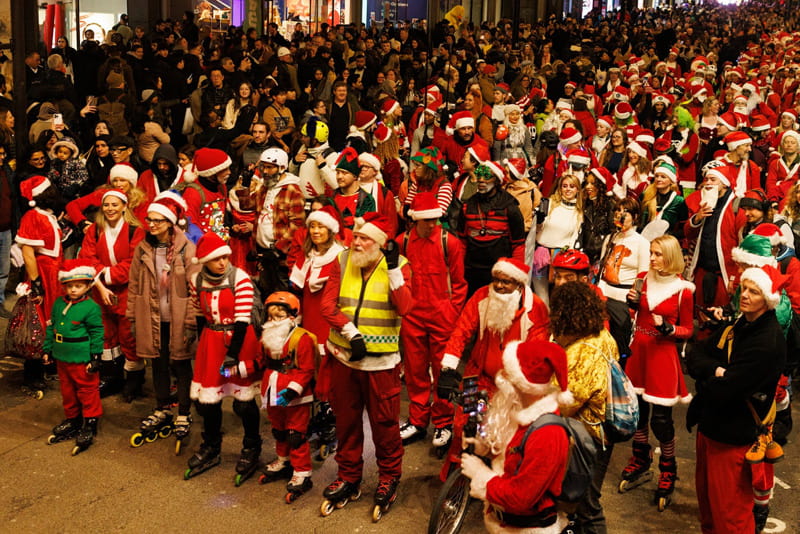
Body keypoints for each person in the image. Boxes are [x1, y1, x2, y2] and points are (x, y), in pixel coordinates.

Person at [319, 213, 413, 514]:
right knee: (345, 422)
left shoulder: (398, 266)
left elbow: (406, 307)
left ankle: (389, 477)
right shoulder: (343, 260)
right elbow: (327, 304)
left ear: (380, 243)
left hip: (381, 363)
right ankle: (348, 475)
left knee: (384, 426)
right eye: (355, 236)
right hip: (343, 356)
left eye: (364, 238)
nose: (356, 242)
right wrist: (351, 333)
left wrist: (396, 271)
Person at [687, 265, 786, 534]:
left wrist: (710, 374)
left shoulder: (767, 341)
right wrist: (717, 371)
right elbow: (695, 353)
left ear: (767, 299)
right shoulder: (739, 324)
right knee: (708, 512)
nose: (745, 295)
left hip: (733, 440)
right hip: (710, 430)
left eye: (755, 291)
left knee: (731, 519)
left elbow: (725, 391)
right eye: (745, 288)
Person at [437, 257, 550, 478]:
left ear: (519, 285)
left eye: (505, 282)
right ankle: (455, 472)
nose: (498, 286)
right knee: (464, 424)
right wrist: (448, 368)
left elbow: (537, 352)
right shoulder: (482, 297)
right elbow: (461, 331)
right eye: (495, 280)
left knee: (502, 434)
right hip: (478, 376)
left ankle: (496, 481)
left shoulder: (535, 308)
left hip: (511, 386)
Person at [460, 340, 573, 533]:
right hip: (505, 523)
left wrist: (481, 474)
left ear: (523, 383)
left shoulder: (548, 434)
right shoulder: (520, 411)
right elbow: (514, 459)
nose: (501, 376)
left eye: (508, 373)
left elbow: (521, 497)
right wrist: (484, 450)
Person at [621, 235, 694, 510]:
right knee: (637, 414)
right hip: (639, 351)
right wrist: (631, 304)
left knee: (661, 421)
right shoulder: (642, 278)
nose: (651, 258)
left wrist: (670, 330)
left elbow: (688, 329)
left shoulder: (682, 290)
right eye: (651, 253)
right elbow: (637, 314)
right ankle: (640, 459)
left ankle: (668, 469)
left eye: (658, 254)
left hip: (662, 355)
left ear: (671, 257)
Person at [186, 232, 263, 480]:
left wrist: (232, 356)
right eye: (216, 259)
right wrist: (202, 347)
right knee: (209, 401)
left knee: (243, 401)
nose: (222, 262)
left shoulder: (240, 278)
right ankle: (211, 444)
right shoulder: (196, 280)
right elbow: (199, 313)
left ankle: (252, 445)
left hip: (240, 342)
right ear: (205, 260)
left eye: (225, 257)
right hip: (211, 342)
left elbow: (242, 320)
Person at [396, 192, 467, 447]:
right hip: (413, 316)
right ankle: (417, 421)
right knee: (415, 371)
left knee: (442, 372)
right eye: (426, 220)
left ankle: (443, 422)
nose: (432, 225)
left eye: (435, 220)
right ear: (415, 220)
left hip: (441, 317)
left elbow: (460, 285)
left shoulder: (451, 243)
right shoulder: (402, 242)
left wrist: (450, 313)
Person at [126, 194, 198, 442]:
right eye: (149, 220)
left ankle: (185, 411)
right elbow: (134, 285)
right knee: (157, 362)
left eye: (158, 220)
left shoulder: (186, 249)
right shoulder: (143, 248)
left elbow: (195, 288)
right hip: (152, 317)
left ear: (170, 223)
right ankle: (162, 406)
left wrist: (191, 322)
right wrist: (133, 318)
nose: (152, 224)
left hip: (177, 317)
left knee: (180, 363)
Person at [549, 281, 618, 533]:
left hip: (587, 439)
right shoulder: (602, 336)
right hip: (604, 430)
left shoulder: (581, 353)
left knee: (587, 505)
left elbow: (564, 404)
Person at [77, 189, 145, 398]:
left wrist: (105, 275)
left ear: (124, 206)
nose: (110, 209)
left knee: (128, 336)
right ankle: (111, 377)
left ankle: (134, 379)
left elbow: (133, 262)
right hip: (100, 292)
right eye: (106, 205)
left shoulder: (136, 231)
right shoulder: (94, 230)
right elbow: (88, 258)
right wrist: (101, 284)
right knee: (105, 335)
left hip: (126, 292)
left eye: (115, 204)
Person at [258, 291, 317, 500]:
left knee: (295, 435)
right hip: (272, 391)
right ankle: (283, 460)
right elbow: (260, 362)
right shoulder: (266, 337)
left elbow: (307, 369)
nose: (274, 321)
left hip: (295, 397)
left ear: (292, 316)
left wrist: (293, 390)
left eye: (279, 316)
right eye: (271, 317)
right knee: (279, 431)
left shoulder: (301, 338)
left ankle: (302, 472)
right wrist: (236, 369)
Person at [42, 259, 104, 453]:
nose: (73, 290)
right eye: (70, 286)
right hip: (62, 356)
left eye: (78, 286)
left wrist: (95, 357)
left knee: (87, 391)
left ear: (87, 286)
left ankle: (90, 423)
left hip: (81, 358)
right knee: (67, 391)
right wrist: (47, 349)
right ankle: (73, 419)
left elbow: (97, 332)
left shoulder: (91, 307)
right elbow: (51, 327)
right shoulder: (59, 304)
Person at [16, 175, 65, 392]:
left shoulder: (48, 216)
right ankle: (33, 372)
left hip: (54, 275)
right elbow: (28, 252)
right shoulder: (32, 216)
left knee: (52, 319)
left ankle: (49, 364)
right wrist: (36, 283)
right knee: (38, 321)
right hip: (43, 274)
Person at [457, 162, 526, 296]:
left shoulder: (509, 208)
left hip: (501, 275)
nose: (481, 180)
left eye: (487, 176)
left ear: (497, 180)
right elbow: (462, 243)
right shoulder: (467, 207)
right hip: (472, 273)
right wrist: (459, 272)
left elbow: (518, 245)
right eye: (479, 175)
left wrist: (516, 276)